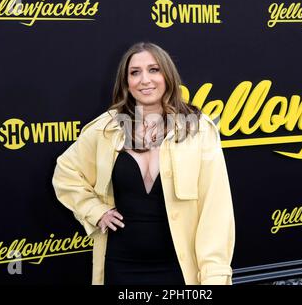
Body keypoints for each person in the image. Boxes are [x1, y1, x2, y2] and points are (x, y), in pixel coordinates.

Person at [52, 42, 235, 285]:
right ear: (126, 82)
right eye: (135, 72)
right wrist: (95, 211)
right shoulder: (105, 129)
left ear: (168, 76)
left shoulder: (198, 130)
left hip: (180, 270)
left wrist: (214, 278)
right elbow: (66, 173)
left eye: (154, 70)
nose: (144, 79)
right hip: (120, 266)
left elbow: (216, 211)